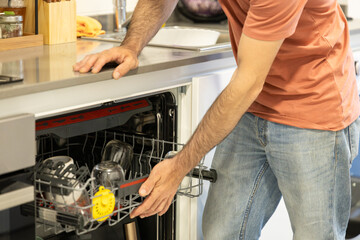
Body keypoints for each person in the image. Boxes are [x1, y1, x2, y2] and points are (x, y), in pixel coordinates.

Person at [73, 0, 360, 239]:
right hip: (253, 106)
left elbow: (247, 82)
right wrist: (131, 45)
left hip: (313, 108)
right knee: (222, 234)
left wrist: (179, 168)